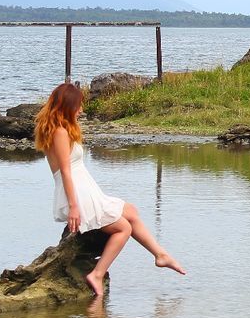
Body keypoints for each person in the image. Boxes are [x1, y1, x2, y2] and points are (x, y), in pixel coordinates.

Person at [33, 82, 185, 297]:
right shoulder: (59, 132)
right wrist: (74, 206)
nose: (81, 110)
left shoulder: (63, 129)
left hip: (85, 188)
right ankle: (97, 274)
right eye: (78, 106)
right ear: (68, 106)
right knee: (123, 228)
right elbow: (66, 172)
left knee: (130, 210)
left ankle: (160, 255)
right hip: (77, 193)